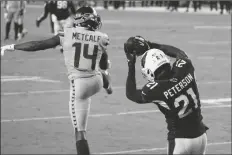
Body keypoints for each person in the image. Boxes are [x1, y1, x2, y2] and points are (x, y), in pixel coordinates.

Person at [1, 6, 112, 155]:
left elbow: (37, 45)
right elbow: (104, 63)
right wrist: (105, 70)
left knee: (80, 133)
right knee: (101, 70)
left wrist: (12, 46)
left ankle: (105, 82)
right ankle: (107, 84)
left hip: (79, 86)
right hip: (96, 82)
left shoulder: (66, 34)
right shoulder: (102, 37)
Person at [124, 36, 209, 155]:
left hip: (181, 140)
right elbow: (179, 53)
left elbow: (131, 94)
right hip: (201, 136)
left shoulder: (155, 89)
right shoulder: (185, 67)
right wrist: (151, 45)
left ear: (149, 70)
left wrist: (130, 64)